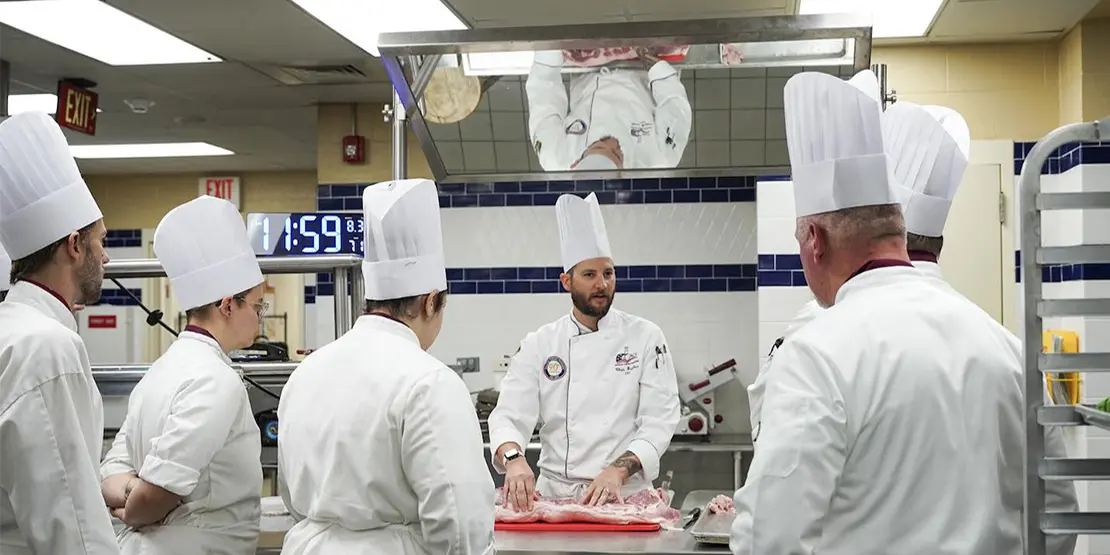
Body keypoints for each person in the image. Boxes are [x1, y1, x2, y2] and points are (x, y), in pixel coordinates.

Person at [728, 70, 1067, 555]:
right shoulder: (1011, 350)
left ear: (815, 242)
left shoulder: (818, 354)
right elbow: (1057, 510)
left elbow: (770, 538)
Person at [277, 178, 494, 555]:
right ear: (430, 303)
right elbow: (461, 525)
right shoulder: (430, 382)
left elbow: (292, 498)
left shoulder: (306, 373)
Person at [488, 192, 681, 510]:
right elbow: (509, 414)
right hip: (555, 497)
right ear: (567, 281)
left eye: (608, 273)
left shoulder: (645, 336)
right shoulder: (541, 343)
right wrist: (514, 459)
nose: (602, 285)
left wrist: (618, 471)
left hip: (625, 495)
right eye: (589, 275)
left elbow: (659, 420)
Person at [99, 196, 265, 554]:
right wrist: (139, 502)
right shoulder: (214, 381)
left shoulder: (160, 370)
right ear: (227, 305)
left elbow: (114, 473)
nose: (260, 317)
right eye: (257, 305)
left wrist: (130, 493)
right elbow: (155, 495)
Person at [0, 111, 119, 554]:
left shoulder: (11, 330)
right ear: (74, 245)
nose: (105, 258)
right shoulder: (45, 347)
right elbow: (68, 519)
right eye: (100, 241)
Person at [526, 48, 691, 171]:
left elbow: (544, 91)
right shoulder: (658, 161)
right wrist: (654, 65)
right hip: (643, 66)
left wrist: (552, 44)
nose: (613, 143)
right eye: (618, 153)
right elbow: (675, 104)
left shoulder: (554, 157)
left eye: (598, 145)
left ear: (574, 163)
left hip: (585, 62)